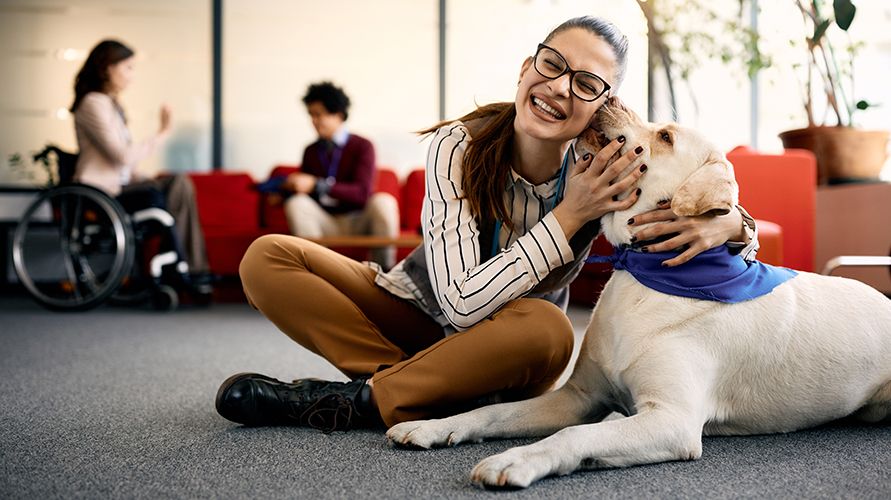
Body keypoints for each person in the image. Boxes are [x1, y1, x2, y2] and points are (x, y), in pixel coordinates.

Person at [215, 16, 758, 432]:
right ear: (526, 70)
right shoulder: (460, 144)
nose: (560, 88)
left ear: (602, 106)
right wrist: (571, 213)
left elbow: (691, 184)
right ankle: (407, 389)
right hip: (417, 309)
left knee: (548, 330)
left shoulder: (608, 163)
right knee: (268, 256)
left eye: (587, 83)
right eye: (551, 65)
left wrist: (731, 224)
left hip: (510, 345)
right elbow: (457, 304)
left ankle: (371, 397)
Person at [70, 39, 212, 294]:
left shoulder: (112, 106)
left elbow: (123, 166)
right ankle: (183, 269)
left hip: (120, 185)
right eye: (128, 68)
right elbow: (120, 156)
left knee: (179, 183)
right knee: (165, 190)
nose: (132, 76)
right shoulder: (92, 103)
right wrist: (163, 133)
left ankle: (187, 267)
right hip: (102, 193)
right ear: (106, 68)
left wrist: (143, 176)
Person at [280, 81, 399, 270]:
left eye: (319, 114)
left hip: (358, 218)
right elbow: (307, 195)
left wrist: (318, 184)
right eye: (311, 115)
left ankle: (385, 275)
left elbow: (362, 193)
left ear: (338, 114)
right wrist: (286, 191)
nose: (314, 121)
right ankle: (318, 272)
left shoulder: (363, 146)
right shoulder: (311, 151)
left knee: (384, 202)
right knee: (296, 203)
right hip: (326, 220)